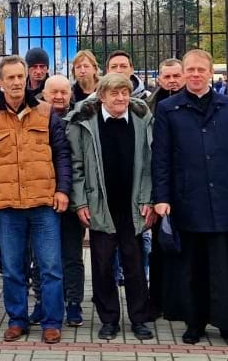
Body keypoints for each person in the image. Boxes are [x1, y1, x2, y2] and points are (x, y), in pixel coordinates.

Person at [0, 55, 72, 345]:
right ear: (1, 83)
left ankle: (52, 322)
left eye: (20, 76)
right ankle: (17, 320)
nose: (16, 82)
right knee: (13, 269)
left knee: (50, 267)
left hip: (44, 205)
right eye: (10, 78)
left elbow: (62, 154)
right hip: (7, 207)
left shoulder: (46, 113)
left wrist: (63, 190)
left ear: (27, 77)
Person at [153, 49, 228, 347]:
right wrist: (162, 197)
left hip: (223, 199)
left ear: (210, 73)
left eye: (199, 70)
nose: (194, 75)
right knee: (191, 268)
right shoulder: (168, 109)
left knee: (224, 269)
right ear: (183, 73)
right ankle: (195, 323)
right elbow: (162, 158)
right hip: (187, 199)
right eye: (189, 70)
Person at [66, 74, 155, 341]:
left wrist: (148, 199)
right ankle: (109, 319)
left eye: (125, 93)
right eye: (115, 94)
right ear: (101, 96)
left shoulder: (142, 122)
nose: (121, 98)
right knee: (103, 266)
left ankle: (139, 318)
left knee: (135, 265)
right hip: (99, 205)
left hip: (134, 205)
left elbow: (151, 164)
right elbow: (76, 167)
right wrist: (80, 201)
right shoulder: (85, 124)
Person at [30, 75, 85, 328]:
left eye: (65, 92)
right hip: (41, 197)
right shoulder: (34, 117)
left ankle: (73, 303)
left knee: (72, 255)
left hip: (72, 198)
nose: (60, 96)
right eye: (55, 92)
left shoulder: (80, 119)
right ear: (44, 93)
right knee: (40, 256)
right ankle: (42, 302)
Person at [145, 57, 183, 317]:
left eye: (175, 76)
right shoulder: (149, 106)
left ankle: (183, 303)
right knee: (160, 248)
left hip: (189, 187)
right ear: (159, 78)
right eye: (166, 76)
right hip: (160, 186)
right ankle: (157, 302)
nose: (171, 81)